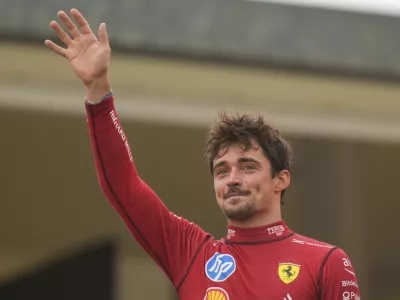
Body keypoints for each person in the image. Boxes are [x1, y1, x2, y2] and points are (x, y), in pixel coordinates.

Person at [45, 9, 361, 300]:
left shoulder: (326, 262)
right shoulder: (192, 253)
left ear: (281, 180)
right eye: (221, 171)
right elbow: (122, 185)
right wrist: (98, 89)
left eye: (247, 166)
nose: (233, 179)